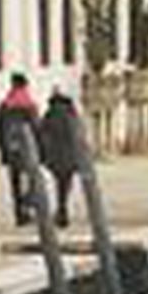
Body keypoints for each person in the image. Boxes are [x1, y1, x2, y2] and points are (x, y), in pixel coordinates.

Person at [0, 73, 41, 225]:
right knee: (30, 181)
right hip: (28, 150)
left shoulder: (5, 105)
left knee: (15, 182)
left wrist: (2, 151)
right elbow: (36, 128)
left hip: (11, 150)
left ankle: (19, 212)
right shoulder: (29, 105)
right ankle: (28, 208)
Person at [38, 89, 81, 227]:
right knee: (65, 186)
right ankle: (63, 210)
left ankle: (61, 211)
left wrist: (44, 156)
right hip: (70, 158)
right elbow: (78, 137)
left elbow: (42, 135)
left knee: (59, 185)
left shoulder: (49, 115)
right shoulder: (72, 115)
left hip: (55, 158)